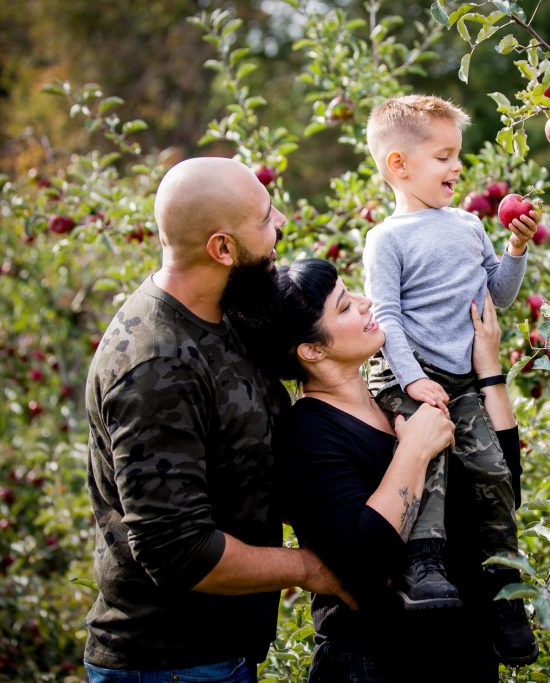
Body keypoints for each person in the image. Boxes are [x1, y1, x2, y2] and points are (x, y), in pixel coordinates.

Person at [83, 157, 354, 683]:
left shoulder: (225, 313)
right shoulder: (156, 366)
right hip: (170, 665)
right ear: (223, 249)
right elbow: (178, 551)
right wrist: (311, 569)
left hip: (216, 656)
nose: (281, 225)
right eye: (265, 218)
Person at [257, 258, 531, 681]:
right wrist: (414, 452)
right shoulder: (308, 432)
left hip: (466, 656)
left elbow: (504, 489)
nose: (367, 304)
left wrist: (489, 373)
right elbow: (363, 561)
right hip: (378, 663)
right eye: (345, 306)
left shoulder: (399, 399)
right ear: (312, 350)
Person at [361, 94, 539, 663]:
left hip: (461, 382)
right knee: (430, 456)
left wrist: (515, 247)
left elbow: (499, 295)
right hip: (407, 375)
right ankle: (425, 565)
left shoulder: (468, 224)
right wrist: (413, 381)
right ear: (399, 165)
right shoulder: (387, 239)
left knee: (493, 470)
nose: (457, 167)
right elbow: (386, 317)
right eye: (443, 157)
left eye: (457, 155)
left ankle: (505, 586)